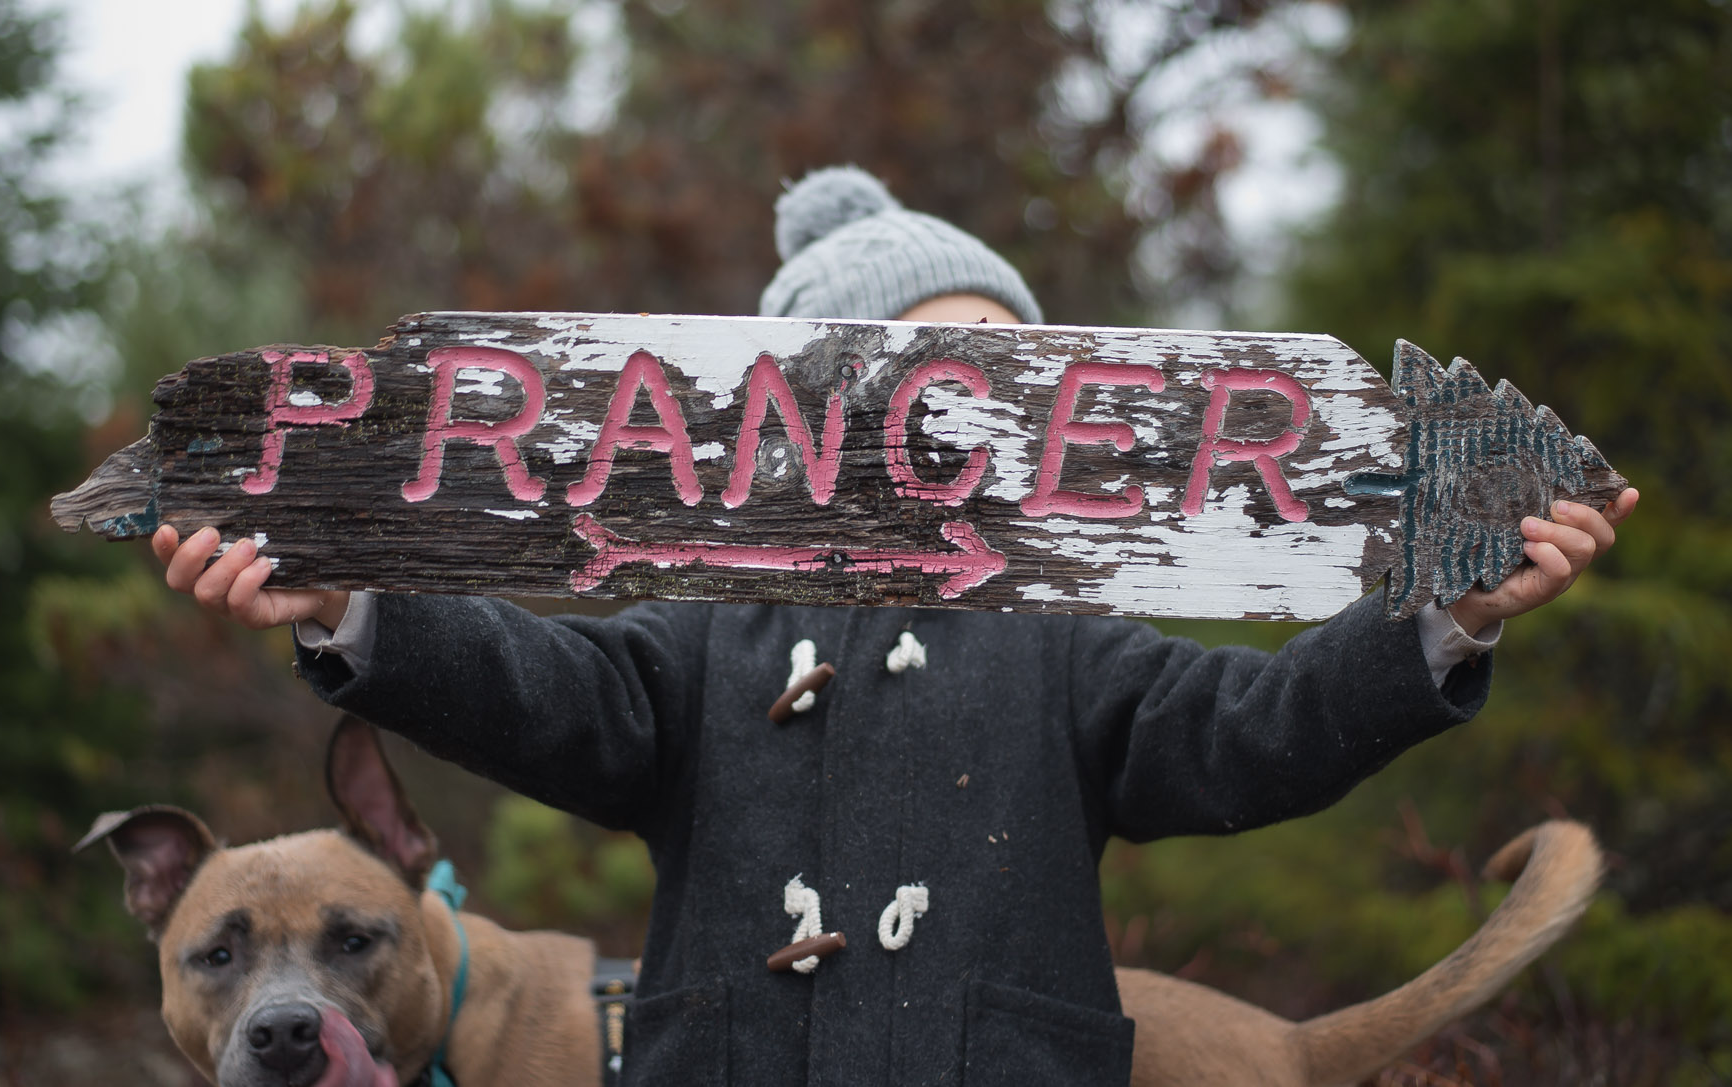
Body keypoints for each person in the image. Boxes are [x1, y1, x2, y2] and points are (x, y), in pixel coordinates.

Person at [155, 167, 1635, 1085]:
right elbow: (537, 688)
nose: (974, 419)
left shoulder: (1068, 639)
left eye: (1016, 380)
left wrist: (1439, 617)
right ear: (804, 413)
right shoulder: (703, 641)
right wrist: (358, 602)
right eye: (929, 374)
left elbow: (1253, 741)